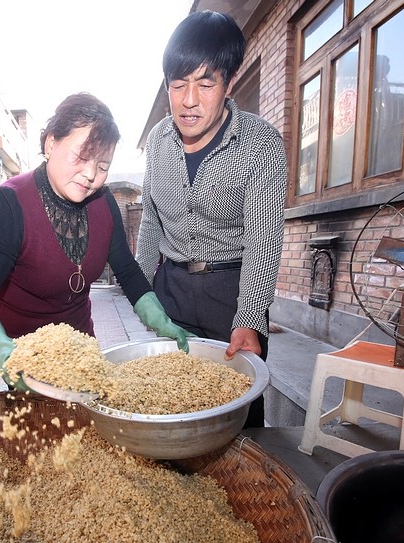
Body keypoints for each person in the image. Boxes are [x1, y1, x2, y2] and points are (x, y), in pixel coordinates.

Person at [0, 93, 190, 384]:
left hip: (81, 353)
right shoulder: (11, 202)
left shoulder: (104, 202)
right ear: (51, 143)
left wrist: (161, 320)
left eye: (103, 166)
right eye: (80, 157)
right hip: (25, 355)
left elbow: (128, 272)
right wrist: (4, 351)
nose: (91, 174)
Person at [136, 11, 288, 427]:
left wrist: (250, 317)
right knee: (171, 403)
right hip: (172, 289)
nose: (189, 100)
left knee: (236, 410)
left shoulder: (260, 143)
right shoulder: (158, 141)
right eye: (178, 84)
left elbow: (264, 241)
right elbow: (150, 221)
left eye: (205, 84)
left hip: (232, 292)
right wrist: (141, 291)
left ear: (229, 83)